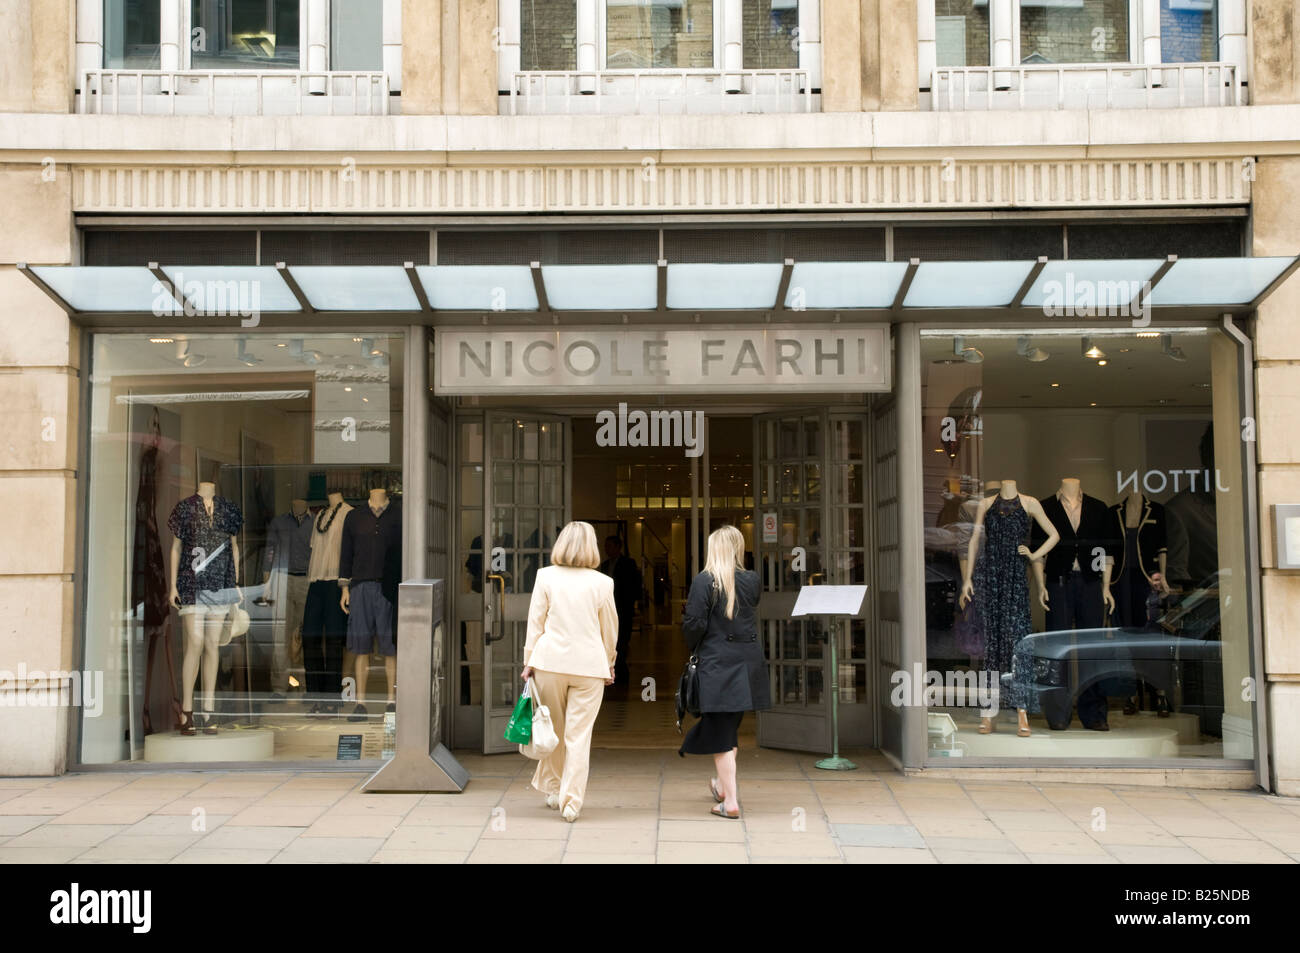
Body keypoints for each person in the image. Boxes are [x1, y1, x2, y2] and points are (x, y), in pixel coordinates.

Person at [520, 521, 619, 822]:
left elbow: (535, 622)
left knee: (555, 731)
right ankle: (571, 802)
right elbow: (610, 629)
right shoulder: (603, 583)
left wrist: (528, 661)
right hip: (589, 667)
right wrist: (610, 662)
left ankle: (553, 788)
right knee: (579, 737)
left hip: (550, 663)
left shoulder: (545, 577)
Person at [680, 525, 771, 819]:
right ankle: (721, 785)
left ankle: (730, 801)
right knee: (728, 729)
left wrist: (695, 647)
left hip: (717, 663)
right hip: (747, 662)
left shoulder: (704, 581)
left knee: (722, 737)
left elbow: (694, 624)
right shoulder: (752, 580)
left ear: (712, 549)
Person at [599, 535, 641, 686]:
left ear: (618, 547)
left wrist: (631, 605)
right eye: (605, 546)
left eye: (609, 546)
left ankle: (621, 674)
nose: (606, 549)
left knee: (622, 642)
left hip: (623, 609)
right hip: (606, 610)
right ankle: (611, 672)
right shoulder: (603, 566)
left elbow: (634, 585)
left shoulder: (628, 563)